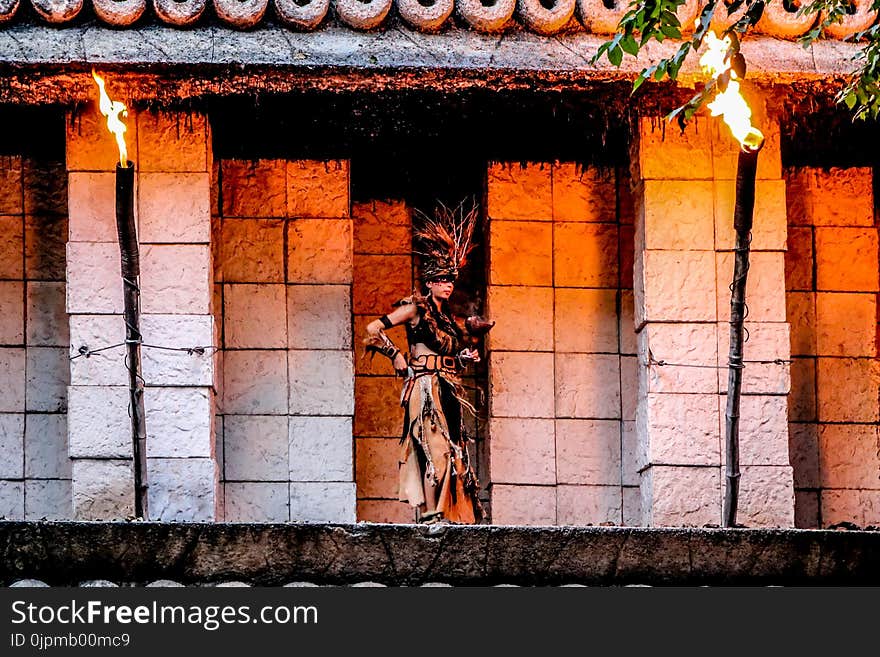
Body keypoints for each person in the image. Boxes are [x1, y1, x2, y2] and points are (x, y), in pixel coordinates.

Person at [363, 203, 494, 524]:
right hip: (424, 386)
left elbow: (450, 356)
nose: (448, 284)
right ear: (430, 282)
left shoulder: (447, 319)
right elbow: (373, 329)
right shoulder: (414, 309)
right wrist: (395, 355)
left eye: (450, 279)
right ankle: (430, 514)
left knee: (451, 448)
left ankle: (441, 513)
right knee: (432, 447)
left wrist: (463, 357)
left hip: (448, 385)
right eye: (441, 279)